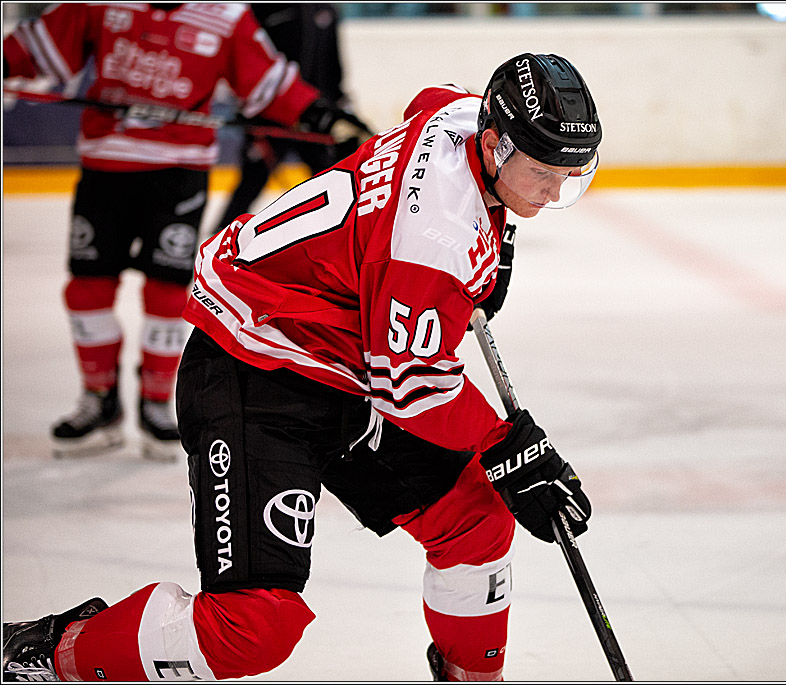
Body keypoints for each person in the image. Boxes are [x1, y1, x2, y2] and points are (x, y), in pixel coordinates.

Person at [2, 52, 601, 681]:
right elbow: (410, 388)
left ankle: (471, 673)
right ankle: (57, 652)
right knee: (253, 630)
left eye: (568, 175)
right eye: (540, 173)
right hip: (255, 363)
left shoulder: (458, 113)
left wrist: (497, 235)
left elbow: (430, 97)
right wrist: (510, 448)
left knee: (475, 521)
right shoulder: (434, 238)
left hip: (342, 357)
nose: (553, 192)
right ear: (493, 144)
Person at [1, 2, 360, 461]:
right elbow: (38, 46)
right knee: (87, 290)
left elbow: (270, 84)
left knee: (169, 291)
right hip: (105, 168)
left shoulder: (226, 15)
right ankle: (100, 399)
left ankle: (155, 401)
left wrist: (323, 116)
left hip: (179, 173)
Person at [215, 3, 371, 230]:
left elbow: (333, 65)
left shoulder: (325, 9)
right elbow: (250, 61)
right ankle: (220, 237)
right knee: (252, 180)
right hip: (271, 115)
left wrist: (337, 104)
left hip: (315, 116)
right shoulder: (264, 8)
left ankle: (339, 235)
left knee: (332, 178)